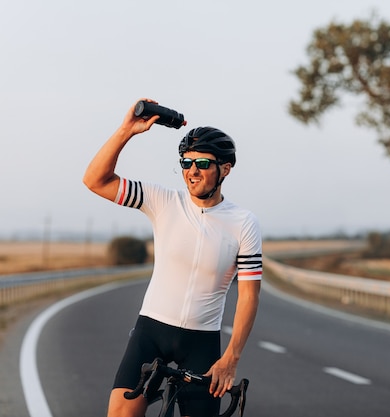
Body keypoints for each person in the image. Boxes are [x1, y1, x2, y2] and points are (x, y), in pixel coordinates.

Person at [83, 99, 262, 417]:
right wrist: (127, 130)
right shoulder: (162, 201)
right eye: (186, 163)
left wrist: (231, 358)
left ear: (225, 169)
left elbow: (248, 295)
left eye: (203, 164)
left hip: (202, 342)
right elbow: (95, 181)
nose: (192, 171)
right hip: (151, 332)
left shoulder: (243, 222)